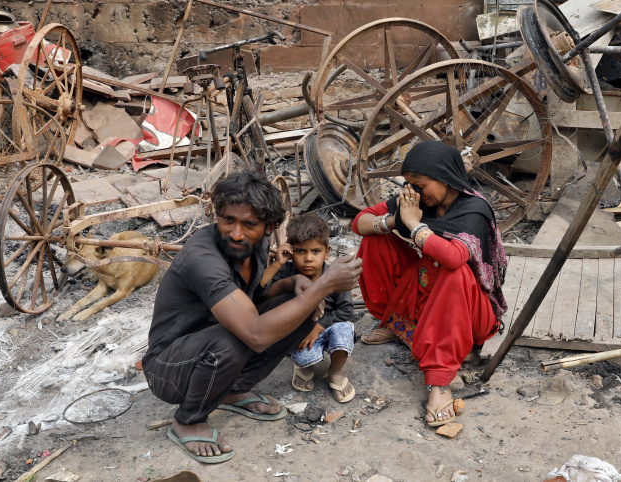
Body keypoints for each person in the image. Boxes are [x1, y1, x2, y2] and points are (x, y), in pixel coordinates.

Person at [142, 171, 362, 464]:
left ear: (269, 226)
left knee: (304, 304)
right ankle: (188, 420)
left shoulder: (253, 246)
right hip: (167, 369)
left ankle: (232, 391)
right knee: (234, 339)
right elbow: (255, 333)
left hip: (211, 344)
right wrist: (325, 284)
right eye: (227, 220)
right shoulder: (202, 257)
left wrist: (290, 283)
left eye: (250, 224)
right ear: (216, 215)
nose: (236, 233)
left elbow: (251, 300)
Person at [351, 141, 507, 428]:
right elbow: (360, 221)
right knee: (377, 239)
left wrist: (412, 224)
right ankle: (395, 322)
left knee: (454, 270)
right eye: (409, 186)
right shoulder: (417, 201)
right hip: (429, 291)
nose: (413, 193)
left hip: (470, 312)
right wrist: (390, 221)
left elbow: (453, 256)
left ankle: (440, 382)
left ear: (445, 178)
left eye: (419, 186)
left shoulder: (473, 208)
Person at [260, 214, 356, 403]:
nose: (308, 258)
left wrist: (318, 327)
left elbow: (346, 311)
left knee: (344, 329)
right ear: (291, 251)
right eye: (301, 251)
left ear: (327, 252)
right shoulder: (287, 271)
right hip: (300, 333)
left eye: (316, 251)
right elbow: (262, 292)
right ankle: (304, 368)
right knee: (305, 357)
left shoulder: (334, 275)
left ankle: (335, 372)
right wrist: (278, 263)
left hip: (326, 327)